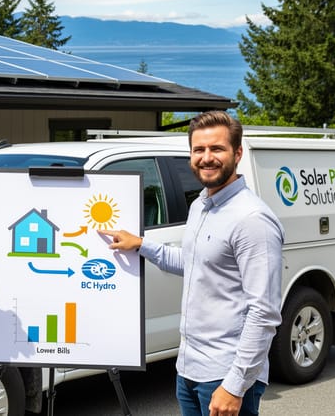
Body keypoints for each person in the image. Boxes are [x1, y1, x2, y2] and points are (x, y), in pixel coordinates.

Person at [100, 111, 283, 416]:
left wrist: (234, 386)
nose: (206, 158)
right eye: (199, 150)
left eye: (217, 149)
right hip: (189, 368)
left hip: (224, 373)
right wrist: (141, 244)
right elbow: (194, 263)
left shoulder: (252, 220)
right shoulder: (200, 205)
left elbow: (263, 313)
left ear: (237, 154)